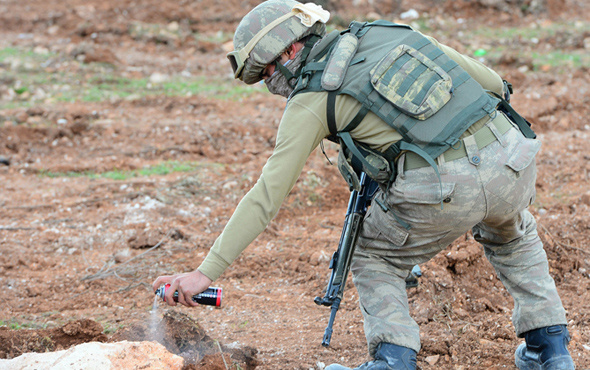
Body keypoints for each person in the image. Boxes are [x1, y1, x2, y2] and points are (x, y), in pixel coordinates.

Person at [153, 1, 575, 369]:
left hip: (444, 189)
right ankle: (550, 350)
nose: (268, 83)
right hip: (514, 157)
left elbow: (268, 194)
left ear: (290, 50)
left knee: (372, 254)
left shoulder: (312, 98)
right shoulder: (386, 33)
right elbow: (491, 83)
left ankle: (392, 359)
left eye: (265, 72)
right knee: (514, 234)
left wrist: (205, 273)